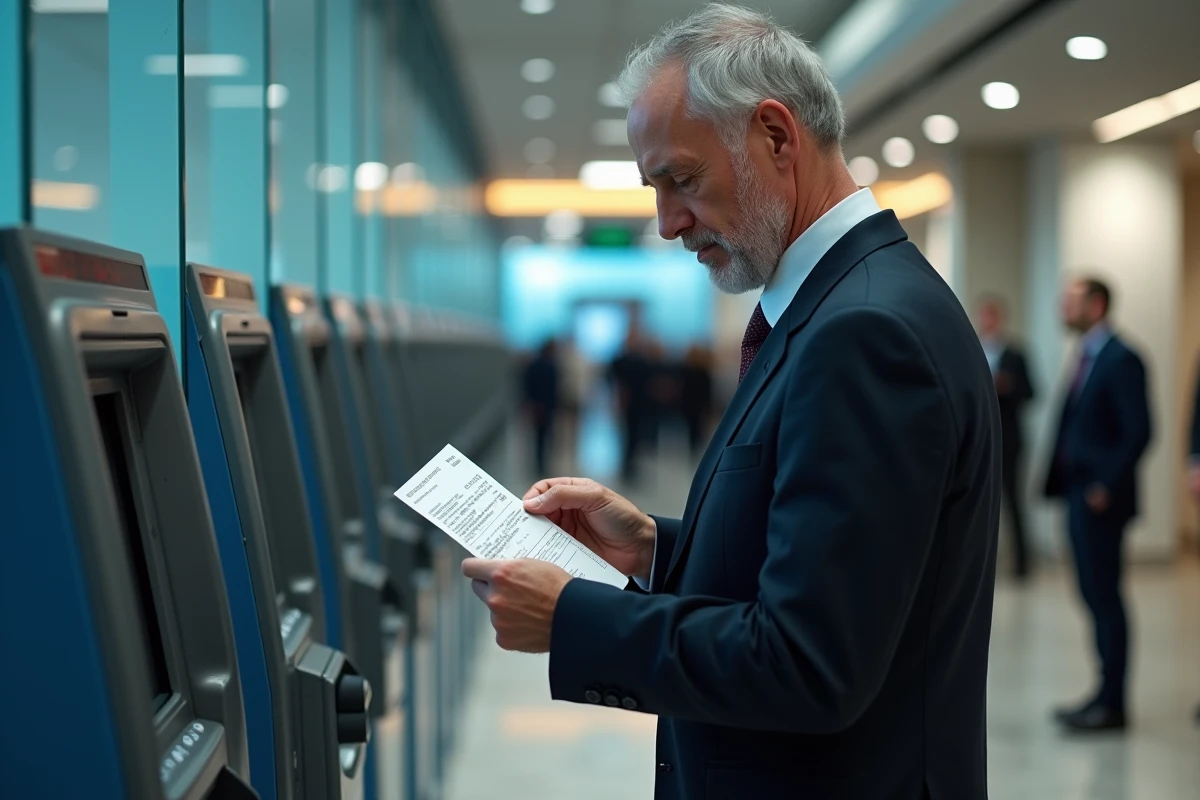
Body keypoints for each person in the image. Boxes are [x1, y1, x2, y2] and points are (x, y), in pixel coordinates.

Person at [461, 6, 1000, 798]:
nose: (667, 222)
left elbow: (810, 662)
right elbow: (823, 565)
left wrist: (574, 618)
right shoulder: (841, 304)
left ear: (776, 136)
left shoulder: (865, 332)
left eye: (682, 180)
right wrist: (654, 548)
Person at [1044, 277, 1151, 732]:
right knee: (1092, 595)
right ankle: (1103, 694)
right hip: (1078, 494)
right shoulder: (1087, 354)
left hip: (1100, 500)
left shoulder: (1122, 359)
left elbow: (1139, 431)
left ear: (1098, 304)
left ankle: (1113, 704)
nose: (1063, 308)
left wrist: (1105, 484)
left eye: (1071, 301)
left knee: (1105, 597)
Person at [977, 296, 1036, 578]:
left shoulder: (1015, 354)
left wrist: (1008, 386)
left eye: (992, 316)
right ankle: (980, 565)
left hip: (1010, 439)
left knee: (1014, 502)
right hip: (981, 439)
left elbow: (1032, 392)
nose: (987, 321)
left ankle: (1022, 564)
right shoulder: (973, 348)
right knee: (980, 504)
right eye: (983, 315)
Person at [521, 339, 560, 476]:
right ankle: (540, 466)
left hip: (547, 406)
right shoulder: (540, 366)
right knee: (540, 437)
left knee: (544, 437)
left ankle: (542, 465)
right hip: (541, 406)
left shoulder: (547, 365)